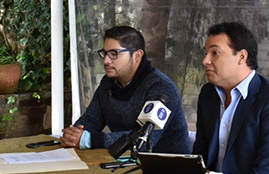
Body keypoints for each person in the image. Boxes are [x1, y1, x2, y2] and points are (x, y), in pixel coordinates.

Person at [192, 22, 269, 174]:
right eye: (206, 53)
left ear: (242, 57)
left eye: (215, 53)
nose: (205, 60)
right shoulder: (208, 94)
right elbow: (200, 156)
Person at [61, 26, 190, 154]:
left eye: (113, 54)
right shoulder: (108, 82)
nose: (106, 61)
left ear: (137, 56)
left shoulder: (161, 88)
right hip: (124, 160)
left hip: (167, 164)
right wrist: (73, 135)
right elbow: (91, 120)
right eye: (105, 53)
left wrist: (90, 140)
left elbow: (144, 140)